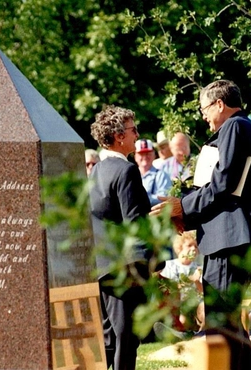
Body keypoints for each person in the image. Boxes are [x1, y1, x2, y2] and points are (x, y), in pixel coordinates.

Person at [151, 80, 251, 370]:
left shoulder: (234, 127)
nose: (202, 115)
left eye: (204, 108)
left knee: (219, 325)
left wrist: (182, 207)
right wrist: (186, 215)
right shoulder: (243, 128)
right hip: (232, 238)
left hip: (230, 239)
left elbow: (224, 182)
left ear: (219, 104)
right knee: (229, 325)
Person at [89, 104, 152, 370]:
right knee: (126, 339)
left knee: (109, 338)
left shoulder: (96, 172)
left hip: (100, 268)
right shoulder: (126, 171)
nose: (137, 135)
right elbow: (135, 225)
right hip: (123, 268)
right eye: (133, 129)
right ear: (118, 136)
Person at [158, 231, 204, 332]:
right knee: (182, 319)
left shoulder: (198, 268)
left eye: (196, 246)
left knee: (204, 310)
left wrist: (196, 282)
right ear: (179, 248)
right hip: (177, 305)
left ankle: (199, 333)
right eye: (189, 245)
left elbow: (203, 292)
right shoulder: (169, 266)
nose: (193, 249)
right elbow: (167, 289)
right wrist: (189, 280)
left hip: (194, 305)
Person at [134, 139, 172, 206]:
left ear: (154, 155)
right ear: (135, 157)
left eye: (148, 153)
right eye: (141, 154)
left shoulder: (162, 175)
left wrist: (137, 199)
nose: (145, 157)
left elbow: (163, 198)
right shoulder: (131, 175)